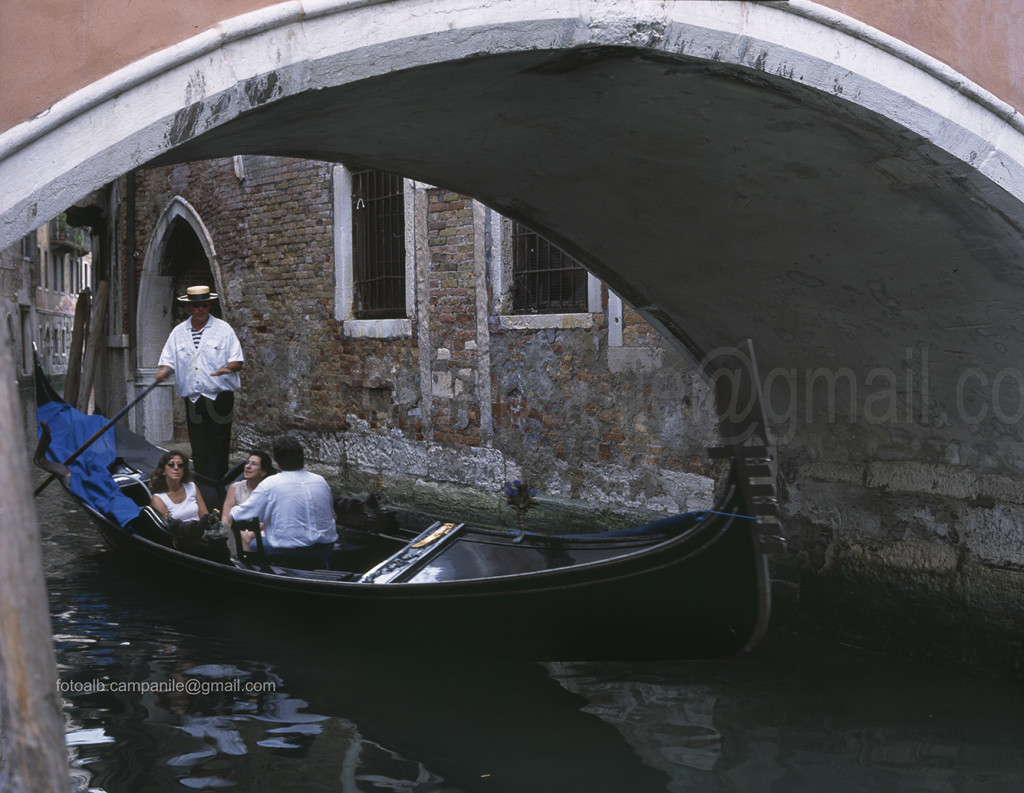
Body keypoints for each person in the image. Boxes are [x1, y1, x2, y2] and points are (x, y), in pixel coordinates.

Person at [155, 285, 244, 481]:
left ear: (209, 305)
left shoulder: (223, 329)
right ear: (189, 308)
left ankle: (219, 483)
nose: (200, 310)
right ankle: (204, 484)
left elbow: (237, 360)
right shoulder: (178, 333)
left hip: (219, 397)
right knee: (199, 445)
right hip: (194, 399)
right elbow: (167, 361)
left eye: (204, 305)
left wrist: (228, 368)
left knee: (219, 444)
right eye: (196, 306)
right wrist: (164, 371)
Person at [229, 434, 338, 566]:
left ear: (278, 463)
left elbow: (241, 515)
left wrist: (233, 510)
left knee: (250, 541)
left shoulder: (271, 483)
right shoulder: (321, 481)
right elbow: (331, 514)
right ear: (302, 458)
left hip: (288, 551)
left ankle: (252, 574)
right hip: (324, 549)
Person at [149, 450, 209, 522]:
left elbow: (205, 516)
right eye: (171, 464)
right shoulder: (158, 499)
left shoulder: (192, 486)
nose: (176, 468)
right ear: (163, 471)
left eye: (180, 465)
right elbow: (169, 528)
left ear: (183, 471)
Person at [221, 450, 273, 528]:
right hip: (241, 533)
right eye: (247, 463)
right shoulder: (235, 488)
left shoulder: (269, 490)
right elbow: (226, 520)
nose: (248, 466)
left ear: (263, 472)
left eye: (254, 464)